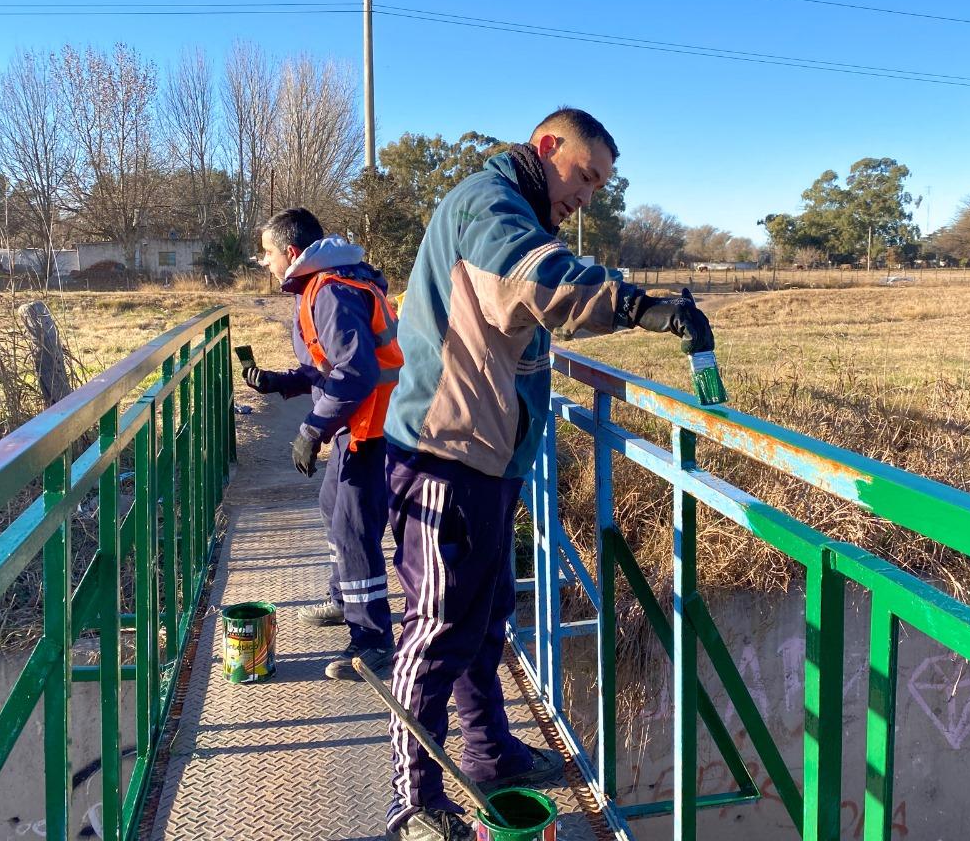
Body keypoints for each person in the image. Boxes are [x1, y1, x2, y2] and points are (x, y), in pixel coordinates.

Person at [382, 107, 714, 840]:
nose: (588, 197)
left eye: (599, 186)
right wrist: (635, 303)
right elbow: (534, 280)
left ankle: (490, 751)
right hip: (447, 454)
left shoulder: (514, 210)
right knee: (437, 629)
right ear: (547, 148)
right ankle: (413, 799)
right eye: (585, 176)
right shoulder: (489, 205)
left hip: (484, 453)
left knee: (484, 610)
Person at [245, 207, 401, 680]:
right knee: (333, 504)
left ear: (290, 253)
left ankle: (374, 642)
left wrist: (312, 429)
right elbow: (330, 363)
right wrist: (283, 382)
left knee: (353, 528)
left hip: (377, 425)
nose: (266, 263)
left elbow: (356, 372)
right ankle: (344, 597)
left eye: (267, 254)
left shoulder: (330, 291)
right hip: (366, 420)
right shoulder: (326, 283)